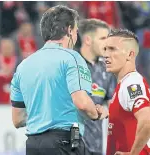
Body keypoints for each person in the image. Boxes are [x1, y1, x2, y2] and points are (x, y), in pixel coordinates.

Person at [10, 5, 109, 155]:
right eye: (76, 32)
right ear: (69, 30)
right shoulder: (72, 58)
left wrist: (44, 113)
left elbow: (17, 119)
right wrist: (97, 113)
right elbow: (82, 103)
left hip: (33, 144)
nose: (76, 37)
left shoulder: (23, 65)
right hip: (65, 143)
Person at [103, 29, 150, 155]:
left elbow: (148, 121)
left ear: (130, 54)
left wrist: (134, 153)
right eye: (105, 49)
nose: (106, 54)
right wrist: (145, 145)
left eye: (112, 49)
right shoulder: (126, 83)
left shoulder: (131, 84)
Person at [78, 19, 117, 155]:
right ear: (88, 40)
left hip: (97, 147)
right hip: (72, 146)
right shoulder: (71, 65)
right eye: (102, 38)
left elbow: (113, 107)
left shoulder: (106, 70)